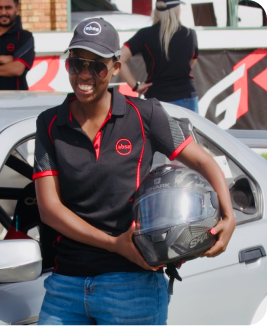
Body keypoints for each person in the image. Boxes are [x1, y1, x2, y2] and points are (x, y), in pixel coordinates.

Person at [33, 18, 235, 325]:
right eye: (76, 64)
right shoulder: (49, 123)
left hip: (133, 284)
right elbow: (49, 209)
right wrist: (113, 244)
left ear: (115, 68)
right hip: (66, 286)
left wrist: (229, 217)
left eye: (96, 66)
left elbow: (204, 161)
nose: (84, 75)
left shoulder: (146, 113)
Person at [120, 0, 200, 113]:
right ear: (176, 10)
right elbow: (193, 61)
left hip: (157, 98)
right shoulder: (189, 33)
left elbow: (119, 59)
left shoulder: (145, 35)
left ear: (156, 11)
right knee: (189, 131)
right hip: (186, 96)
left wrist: (135, 86)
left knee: (159, 131)